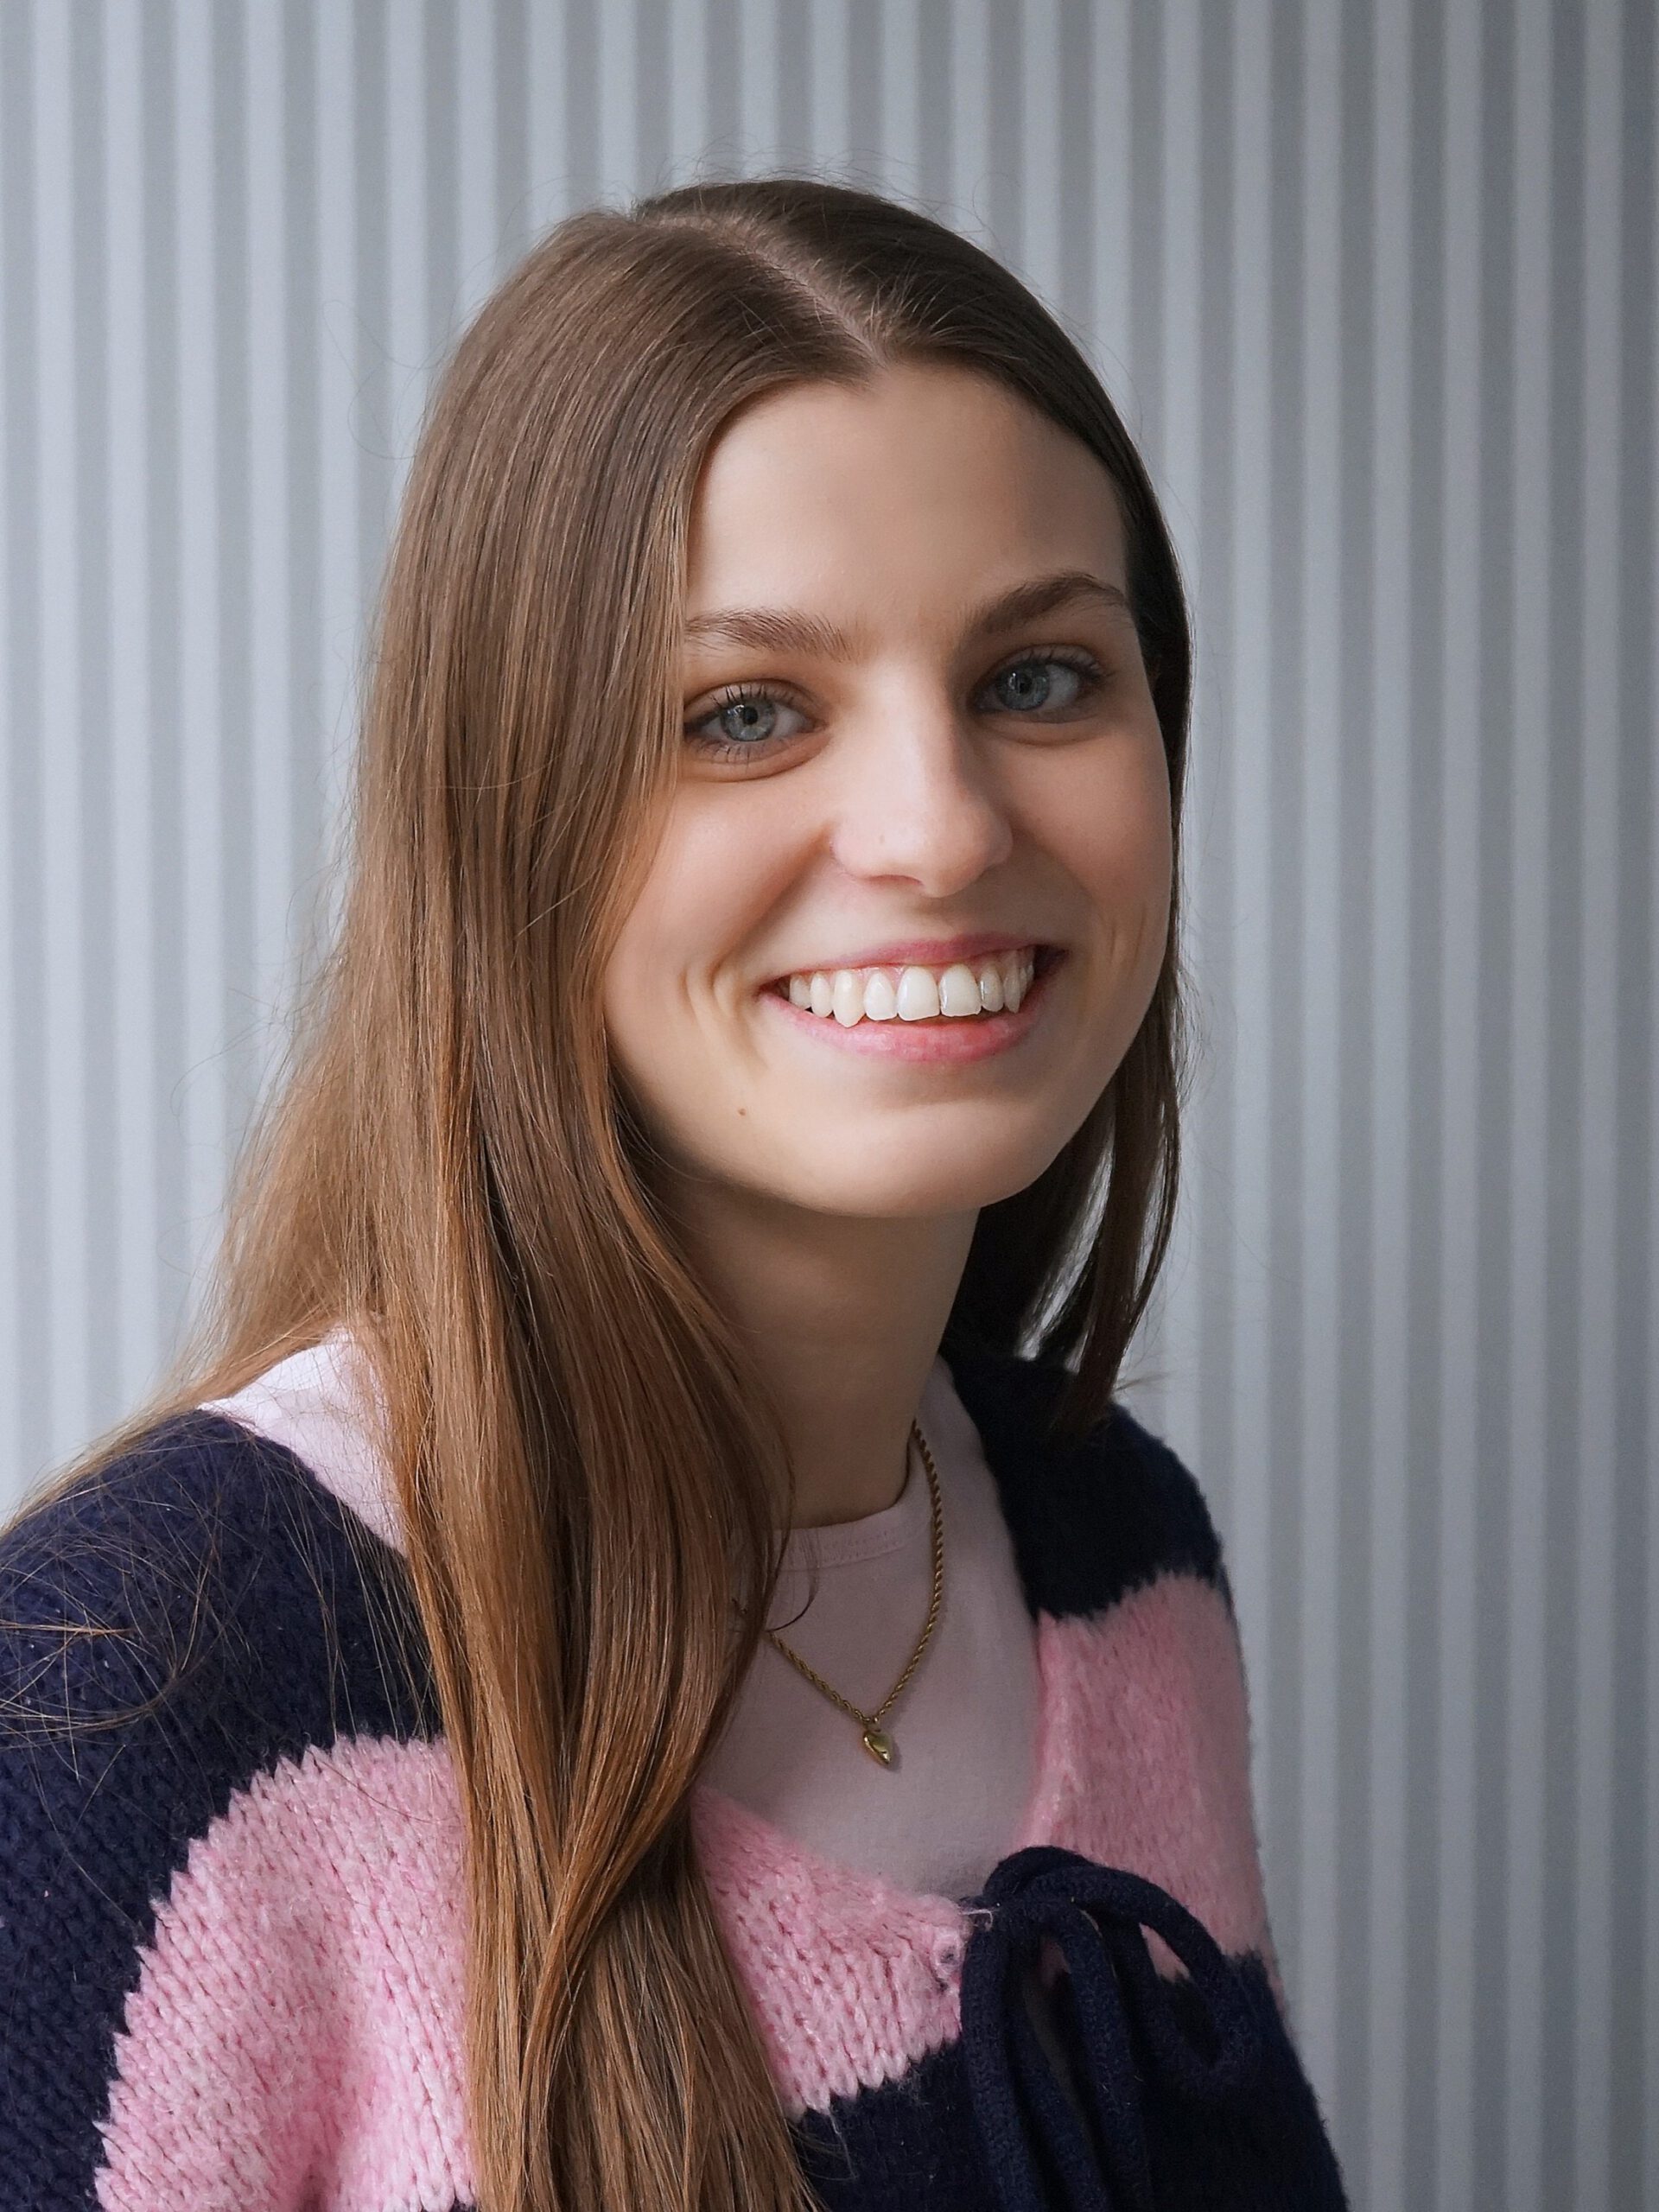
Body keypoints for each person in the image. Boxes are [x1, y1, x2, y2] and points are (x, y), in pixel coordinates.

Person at [0, 175, 1349, 2212]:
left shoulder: (1123, 1558)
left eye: (1039, 675)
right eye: (745, 711)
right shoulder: (128, 1707)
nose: (937, 827)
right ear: (507, 818)